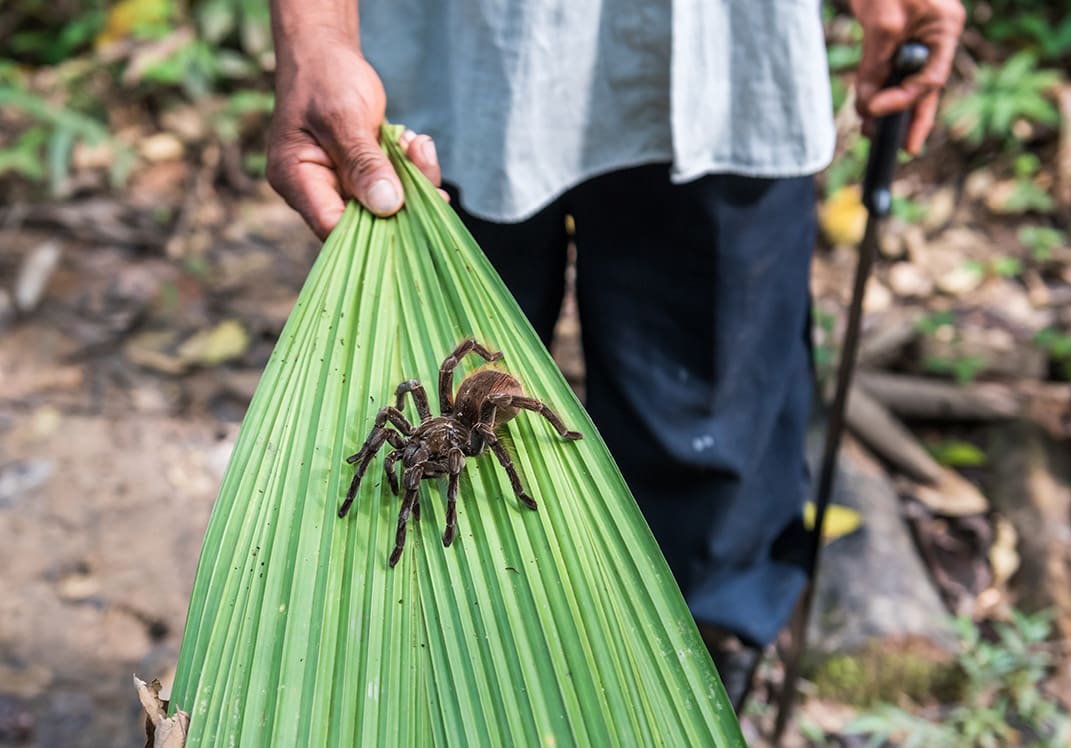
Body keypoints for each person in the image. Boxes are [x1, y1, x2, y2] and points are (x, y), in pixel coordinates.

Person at [266, 0, 965, 707]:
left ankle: (694, 676)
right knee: (419, 340)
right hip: (456, 60)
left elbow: (493, 421)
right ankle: (444, 679)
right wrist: (315, 35)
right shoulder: (421, 429)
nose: (417, 452)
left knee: (710, 423)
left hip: (722, 56)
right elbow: (405, 421)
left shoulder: (471, 431)